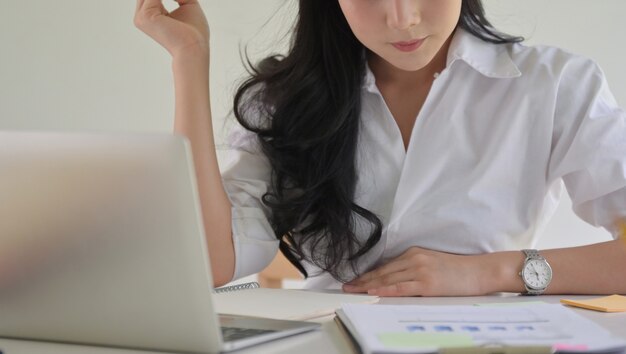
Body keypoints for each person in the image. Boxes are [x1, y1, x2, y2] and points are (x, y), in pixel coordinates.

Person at [134, 0, 626, 296]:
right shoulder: (286, 103)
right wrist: (189, 59)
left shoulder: (556, 84)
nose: (403, 19)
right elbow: (212, 260)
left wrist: (489, 272)